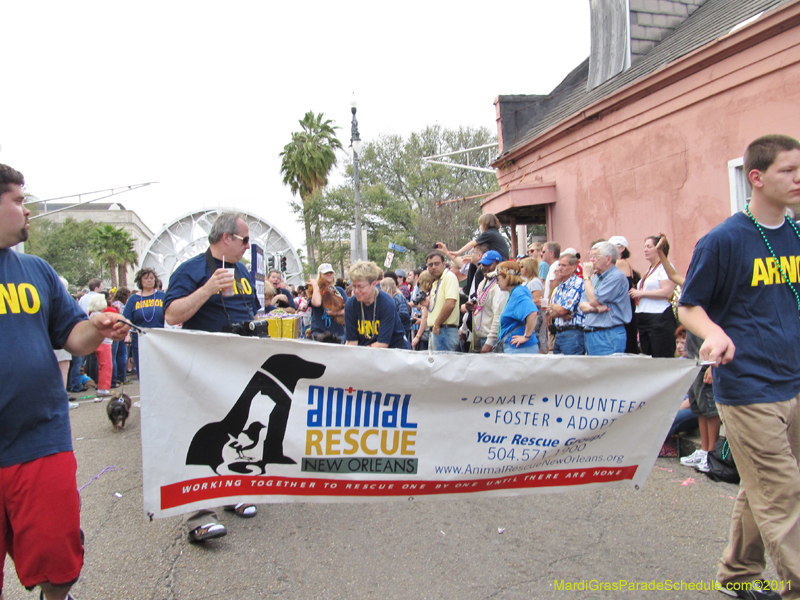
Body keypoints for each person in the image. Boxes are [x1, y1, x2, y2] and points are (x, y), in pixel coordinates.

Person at [0, 163, 130, 600]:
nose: (27, 211)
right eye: (18, 201)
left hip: (40, 437)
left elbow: (73, 338)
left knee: (60, 559)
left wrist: (98, 326)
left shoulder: (36, 271)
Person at [679, 135, 800, 600]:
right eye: (788, 170)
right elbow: (688, 306)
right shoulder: (724, 240)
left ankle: (739, 573)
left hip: (793, 381)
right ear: (757, 177)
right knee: (783, 495)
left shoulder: (796, 234)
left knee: (765, 486)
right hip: (749, 388)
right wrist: (715, 332)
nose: (797, 178)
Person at [164, 212, 262, 542]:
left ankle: (233, 491)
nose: (249, 247)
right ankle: (199, 514)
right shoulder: (190, 270)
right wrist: (206, 289)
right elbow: (171, 314)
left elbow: (249, 311)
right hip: (201, 365)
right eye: (245, 240)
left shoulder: (244, 270)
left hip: (239, 364)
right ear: (226, 238)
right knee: (200, 434)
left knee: (237, 430)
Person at [579, 241, 632, 356]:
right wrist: (596, 309)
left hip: (608, 334)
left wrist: (587, 277)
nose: (591, 260)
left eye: (595, 256)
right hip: (592, 333)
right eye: (591, 256)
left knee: (608, 372)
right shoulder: (596, 277)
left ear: (608, 259)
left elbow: (593, 300)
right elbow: (582, 304)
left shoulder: (616, 277)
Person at [629, 236, 677, 357]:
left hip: (658, 317)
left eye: (649, 246)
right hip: (644, 317)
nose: (645, 250)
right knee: (648, 355)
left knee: (661, 356)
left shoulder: (665, 267)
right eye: (644, 246)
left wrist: (641, 293)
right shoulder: (649, 269)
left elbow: (667, 292)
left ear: (659, 248)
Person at [344, 261, 409, 349]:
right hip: (365, 350)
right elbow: (352, 341)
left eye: (360, 287)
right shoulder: (350, 304)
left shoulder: (386, 303)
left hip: (393, 350)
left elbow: (382, 344)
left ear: (373, 284)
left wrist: (359, 353)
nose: (356, 291)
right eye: (353, 286)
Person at [123, 268, 166, 381]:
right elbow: (127, 318)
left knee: (159, 368)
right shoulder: (134, 299)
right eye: (146, 278)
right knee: (142, 370)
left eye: (151, 278)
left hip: (159, 337)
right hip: (140, 339)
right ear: (140, 281)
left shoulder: (162, 296)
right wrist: (127, 334)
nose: (149, 281)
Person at [462, 250, 508, 352]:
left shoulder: (499, 285)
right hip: (479, 337)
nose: (484, 268)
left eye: (488, 264)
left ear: (498, 264)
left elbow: (498, 314)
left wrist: (489, 342)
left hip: (492, 340)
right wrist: (463, 328)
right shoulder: (482, 283)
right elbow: (478, 306)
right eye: (482, 265)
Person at [496, 261, 538, 354]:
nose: (496, 282)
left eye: (498, 278)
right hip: (517, 348)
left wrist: (526, 336)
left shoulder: (518, 293)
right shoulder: (518, 291)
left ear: (507, 277)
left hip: (519, 349)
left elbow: (532, 312)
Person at [547, 253, 586, 355]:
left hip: (573, 333)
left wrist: (553, 306)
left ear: (573, 268)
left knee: (571, 367)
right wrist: (557, 310)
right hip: (559, 331)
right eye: (559, 265)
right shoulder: (561, 286)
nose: (559, 268)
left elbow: (562, 310)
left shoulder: (577, 283)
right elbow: (552, 313)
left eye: (563, 265)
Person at [424, 250, 461, 352]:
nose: (433, 267)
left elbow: (450, 304)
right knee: (435, 366)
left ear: (444, 264)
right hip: (436, 331)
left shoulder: (449, 277)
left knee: (445, 366)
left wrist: (437, 324)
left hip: (444, 330)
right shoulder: (436, 281)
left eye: (436, 264)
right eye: (430, 265)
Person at [444, 213, 510, 261]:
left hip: (500, 261)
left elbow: (472, 243)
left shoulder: (489, 234)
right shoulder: (494, 233)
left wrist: (458, 252)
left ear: (486, 223)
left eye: (480, 224)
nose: (480, 227)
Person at [308, 263, 346, 343]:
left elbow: (349, 310)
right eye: (325, 273)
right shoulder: (314, 290)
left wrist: (335, 313)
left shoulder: (339, 290)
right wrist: (315, 286)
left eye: (331, 272)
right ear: (320, 275)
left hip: (337, 333)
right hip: (319, 334)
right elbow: (317, 303)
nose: (329, 274)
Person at [110, 287, 131, 387]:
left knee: (115, 355)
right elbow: (125, 319)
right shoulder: (122, 306)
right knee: (122, 355)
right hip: (121, 331)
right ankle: (120, 377)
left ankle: (116, 377)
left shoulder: (114, 303)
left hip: (114, 331)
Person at [380, 277, 411, 342]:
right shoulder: (394, 296)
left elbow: (404, 314)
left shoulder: (398, 297)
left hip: (402, 328)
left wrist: (390, 316)